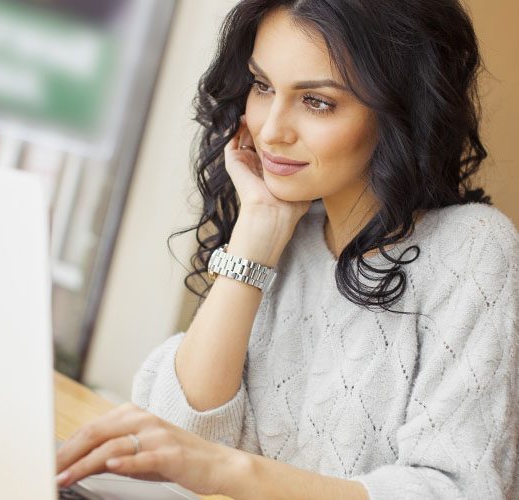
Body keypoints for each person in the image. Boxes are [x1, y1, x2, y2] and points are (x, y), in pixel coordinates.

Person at [56, 0, 519, 498]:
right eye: (262, 86)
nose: (272, 129)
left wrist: (235, 471)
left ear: (400, 109)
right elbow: (179, 435)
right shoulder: (287, 230)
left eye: (317, 101)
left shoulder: (474, 250)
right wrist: (256, 232)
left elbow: (457, 489)